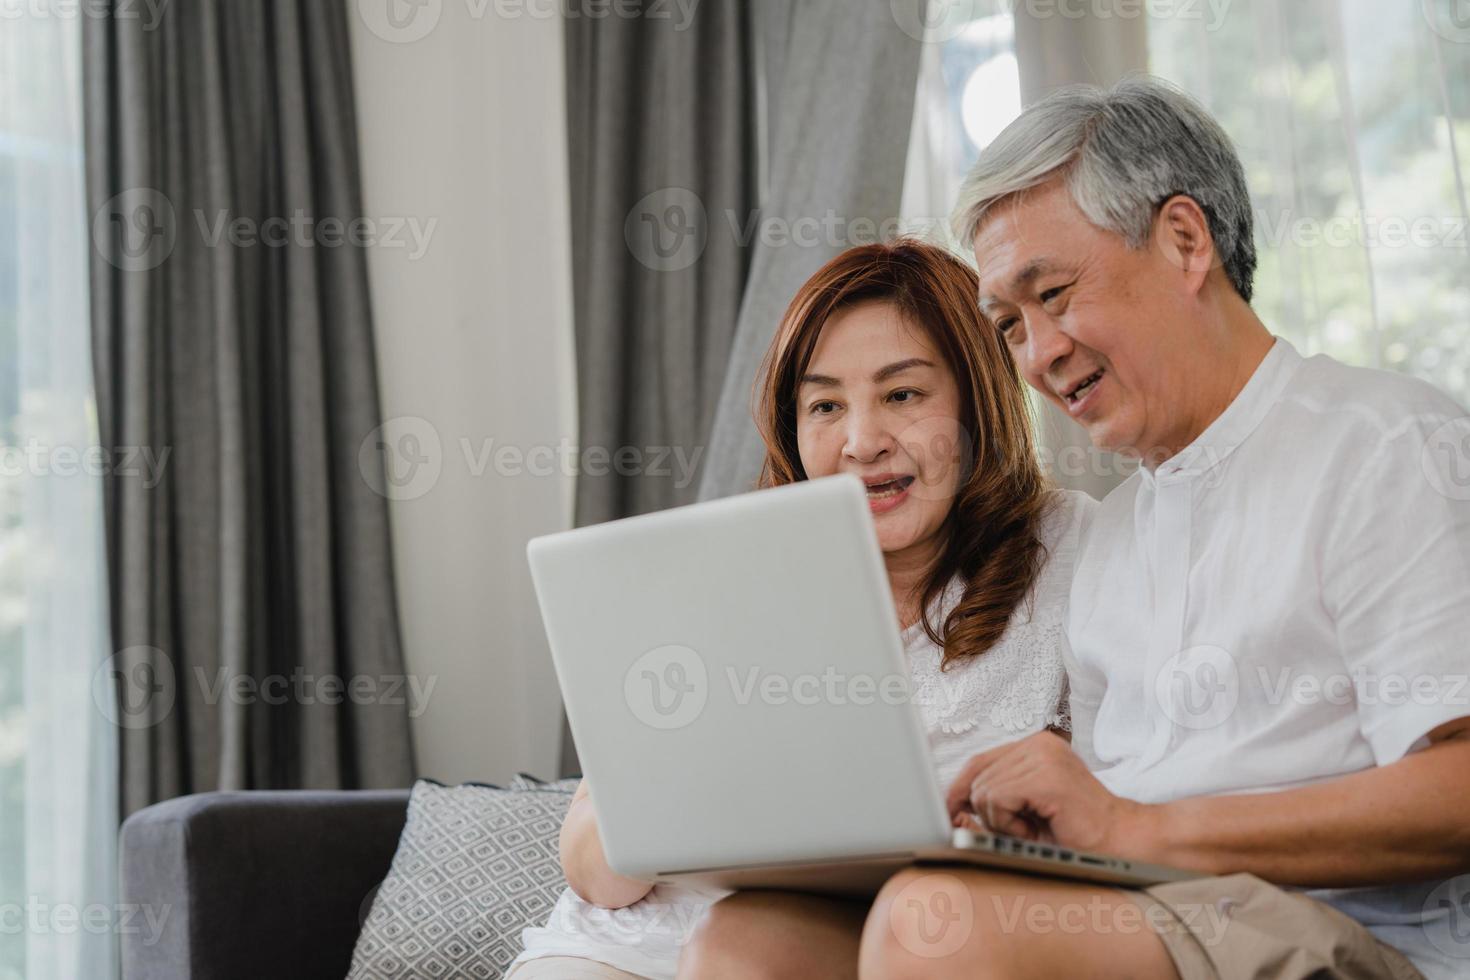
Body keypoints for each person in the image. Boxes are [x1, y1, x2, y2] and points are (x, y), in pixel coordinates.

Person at [852, 77, 1470, 980]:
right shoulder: (1115, 534)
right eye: (1009, 327)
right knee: (760, 938)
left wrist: (1137, 829)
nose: (1040, 355)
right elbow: (1114, 812)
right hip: (1162, 910)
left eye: (1054, 293)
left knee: (934, 921)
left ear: (1186, 241)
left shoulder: (1387, 444)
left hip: (1356, 935)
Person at [508, 239, 1096, 979]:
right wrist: (684, 798)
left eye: (902, 395)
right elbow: (593, 868)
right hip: (626, 950)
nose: (861, 441)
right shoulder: (725, 565)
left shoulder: (1072, 550)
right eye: (825, 405)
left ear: (978, 402)